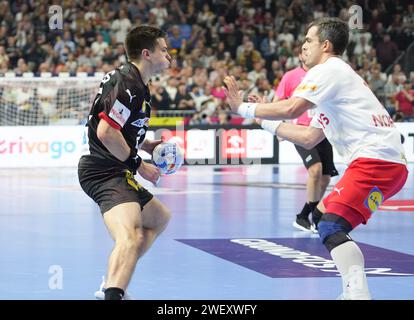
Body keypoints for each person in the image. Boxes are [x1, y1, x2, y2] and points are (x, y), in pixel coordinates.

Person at [224, 17, 408, 300]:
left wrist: (244, 108)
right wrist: (261, 121)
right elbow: (309, 137)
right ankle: (353, 289)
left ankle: (357, 294)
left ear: (325, 45)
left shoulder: (328, 70)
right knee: (321, 214)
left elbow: (291, 107)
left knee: (331, 225)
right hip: (386, 162)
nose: (303, 45)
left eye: (308, 40)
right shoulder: (335, 82)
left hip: (376, 161)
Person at [78, 25, 172, 300]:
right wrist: (140, 164)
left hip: (115, 168)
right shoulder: (128, 83)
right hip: (103, 171)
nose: (169, 56)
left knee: (158, 218)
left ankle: (113, 279)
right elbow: (105, 132)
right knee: (129, 237)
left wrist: (145, 144)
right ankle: (113, 293)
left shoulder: (137, 84)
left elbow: (120, 127)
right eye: (164, 50)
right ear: (147, 53)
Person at [272, 48, 338, 233]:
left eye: (310, 50)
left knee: (325, 177)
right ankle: (316, 218)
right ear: (300, 56)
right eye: (304, 51)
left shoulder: (324, 75)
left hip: (322, 129)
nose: (307, 53)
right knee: (315, 170)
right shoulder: (291, 76)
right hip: (301, 130)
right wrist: (280, 128)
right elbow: (278, 101)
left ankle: (303, 216)